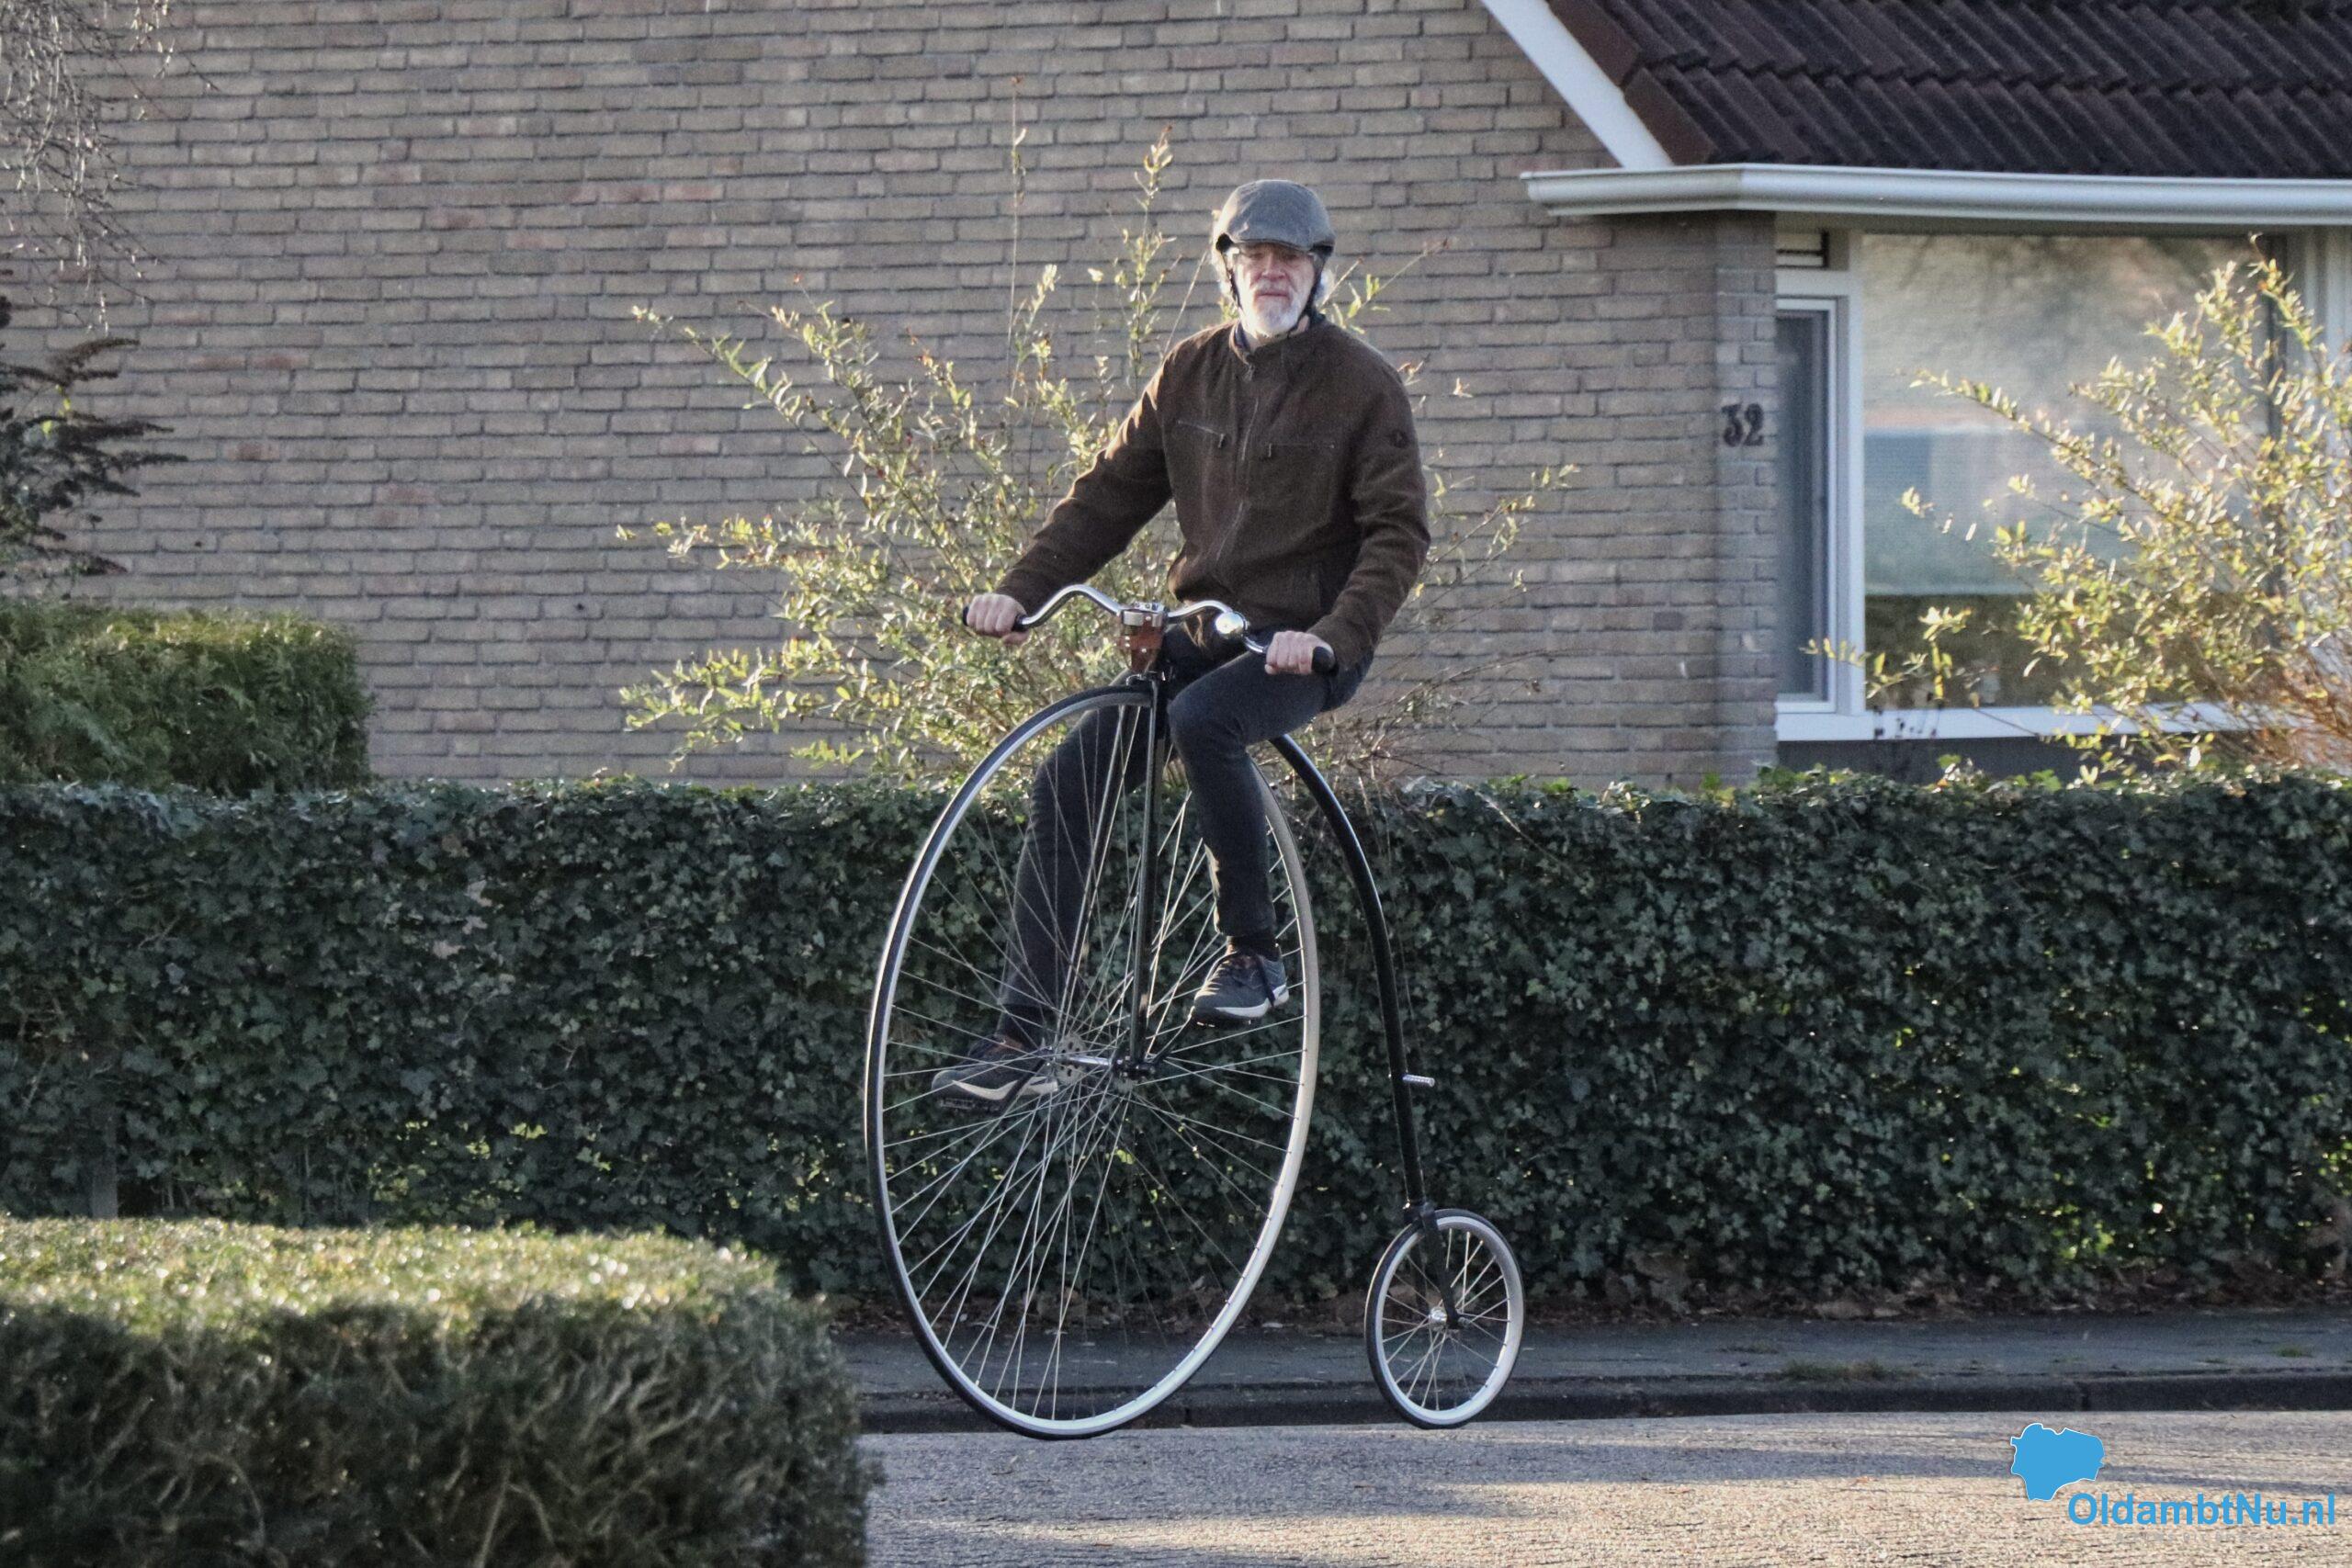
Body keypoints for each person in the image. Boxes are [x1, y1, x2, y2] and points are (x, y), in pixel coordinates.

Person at [935, 177, 1430, 1107]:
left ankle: (1255, 954)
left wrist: (1329, 637)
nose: (1273, 274)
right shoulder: (1188, 371)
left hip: (1304, 647)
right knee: (1067, 778)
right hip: (1205, 631)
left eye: (1291, 260)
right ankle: (1023, 1034)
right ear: (1228, 269)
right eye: (1256, 258)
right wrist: (1018, 591)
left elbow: (1397, 534)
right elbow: (1108, 497)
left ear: (1319, 273)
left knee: (1206, 721)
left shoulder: (1361, 385)